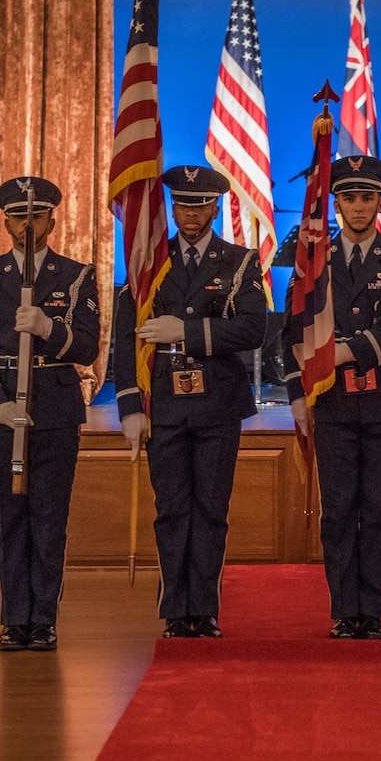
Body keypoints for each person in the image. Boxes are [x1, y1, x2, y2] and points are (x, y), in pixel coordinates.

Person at [113, 165, 268, 638]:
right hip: (164, 402)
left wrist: (186, 331)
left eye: (200, 204)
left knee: (211, 508)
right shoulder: (150, 263)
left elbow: (253, 328)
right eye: (182, 204)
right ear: (172, 208)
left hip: (218, 402)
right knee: (172, 507)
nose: (191, 213)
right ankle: (175, 610)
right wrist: (129, 408)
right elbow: (125, 338)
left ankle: (205, 607)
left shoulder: (239, 262)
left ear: (216, 207)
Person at [285, 155, 381, 639]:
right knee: (340, 508)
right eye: (349, 197)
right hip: (332, 402)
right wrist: (296, 396)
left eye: (367, 197)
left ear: (380, 201)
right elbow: (293, 330)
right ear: (336, 203)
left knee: (380, 509)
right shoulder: (312, 262)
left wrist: (341, 351)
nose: (359, 207)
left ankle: (375, 611)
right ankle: (345, 609)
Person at [0, 175, 100, 652]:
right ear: (5, 222)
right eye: (18, 216)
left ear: (52, 221)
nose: (26, 224)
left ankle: (43, 618)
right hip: (4, 410)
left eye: (36, 215)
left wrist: (49, 328)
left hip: (56, 408)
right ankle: (12, 618)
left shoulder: (77, 275)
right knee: (9, 517)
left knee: (48, 517)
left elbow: (86, 345)